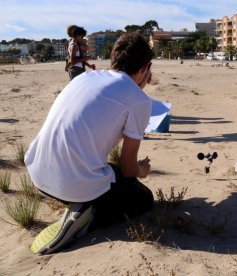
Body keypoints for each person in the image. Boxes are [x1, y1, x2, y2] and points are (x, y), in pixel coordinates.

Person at [25, 33, 155, 255]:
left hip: (37, 172)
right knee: (143, 199)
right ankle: (87, 216)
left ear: (114, 58)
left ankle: (83, 205)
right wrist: (142, 171)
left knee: (112, 174)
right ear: (145, 68)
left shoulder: (84, 77)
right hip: (72, 187)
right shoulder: (138, 99)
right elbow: (128, 168)